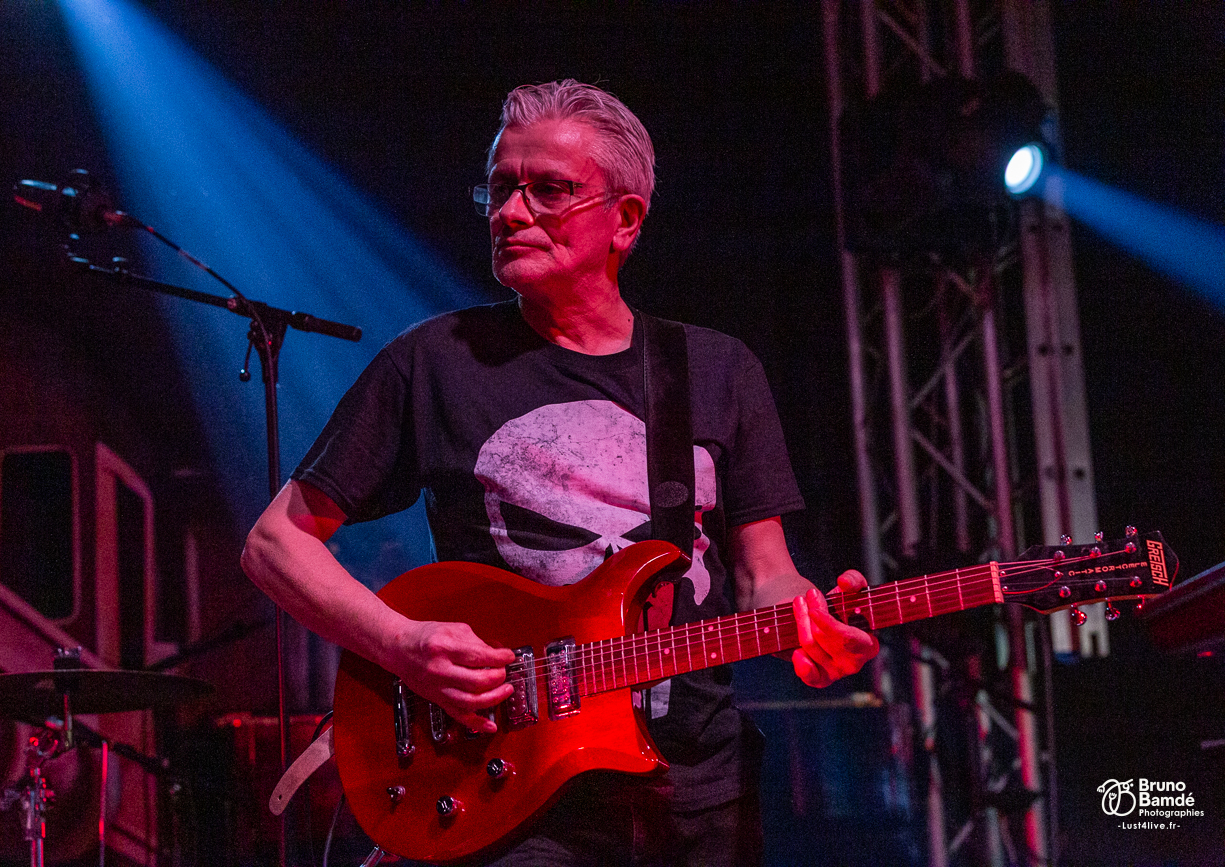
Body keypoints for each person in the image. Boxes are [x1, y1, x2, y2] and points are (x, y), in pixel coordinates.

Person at [241, 79, 879, 866]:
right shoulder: (433, 362)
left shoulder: (717, 369)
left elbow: (762, 575)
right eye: (501, 188)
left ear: (626, 220)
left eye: (548, 190)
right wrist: (403, 644)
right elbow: (275, 543)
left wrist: (810, 621)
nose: (510, 213)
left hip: (698, 789)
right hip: (508, 789)